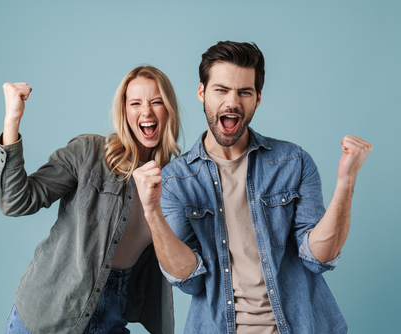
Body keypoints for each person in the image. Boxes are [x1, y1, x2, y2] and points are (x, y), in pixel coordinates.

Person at [133, 42, 372, 334]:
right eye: (221, 90)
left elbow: (317, 258)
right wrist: (152, 212)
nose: (232, 102)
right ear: (201, 93)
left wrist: (346, 181)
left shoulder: (293, 162)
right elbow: (188, 279)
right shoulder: (176, 181)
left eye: (244, 92)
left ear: (257, 99)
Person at [0, 65, 180, 334]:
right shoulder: (88, 153)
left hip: (111, 315)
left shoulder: (174, 183)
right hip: (47, 315)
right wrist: (12, 120)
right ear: (124, 111)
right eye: (135, 103)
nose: (146, 112)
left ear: (168, 110)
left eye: (156, 102)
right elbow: (15, 200)